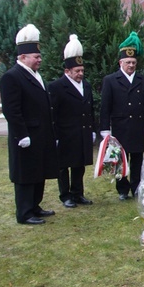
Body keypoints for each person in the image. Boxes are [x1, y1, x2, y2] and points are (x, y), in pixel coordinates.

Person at [0, 24, 59, 224]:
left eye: (39, 56)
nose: (39, 59)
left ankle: (35, 205)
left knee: (38, 171)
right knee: (26, 174)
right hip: (25, 135)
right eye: (36, 56)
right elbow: (12, 110)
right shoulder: (12, 76)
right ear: (23, 57)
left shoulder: (35, 75)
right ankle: (24, 212)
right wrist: (21, 134)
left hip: (40, 133)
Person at [100, 32, 144, 201]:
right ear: (121, 63)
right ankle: (122, 189)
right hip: (120, 126)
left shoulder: (143, 80)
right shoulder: (110, 80)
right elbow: (105, 106)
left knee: (137, 158)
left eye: (133, 62)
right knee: (120, 160)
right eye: (128, 62)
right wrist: (104, 127)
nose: (131, 65)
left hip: (137, 126)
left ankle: (136, 186)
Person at [49, 35, 95, 209]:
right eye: (77, 71)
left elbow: (89, 108)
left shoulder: (87, 85)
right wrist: (55, 135)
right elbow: (53, 112)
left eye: (82, 70)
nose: (81, 74)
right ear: (67, 71)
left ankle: (78, 193)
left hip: (82, 131)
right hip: (65, 133)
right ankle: (65, 195)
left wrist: (92, 129)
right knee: (64, 167)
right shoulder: (57, 87)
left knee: (79, 164)